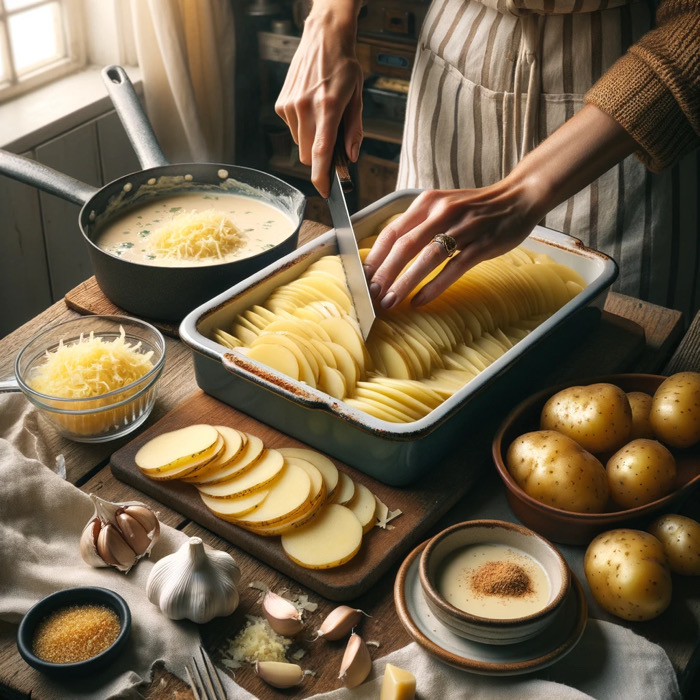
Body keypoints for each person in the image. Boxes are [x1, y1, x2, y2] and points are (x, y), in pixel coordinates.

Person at [275, 0, 700, 317]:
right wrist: (329, 18)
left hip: (630, 106)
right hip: (456, 63)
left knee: (612, 328)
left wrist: (523, 190)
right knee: (415, 303)